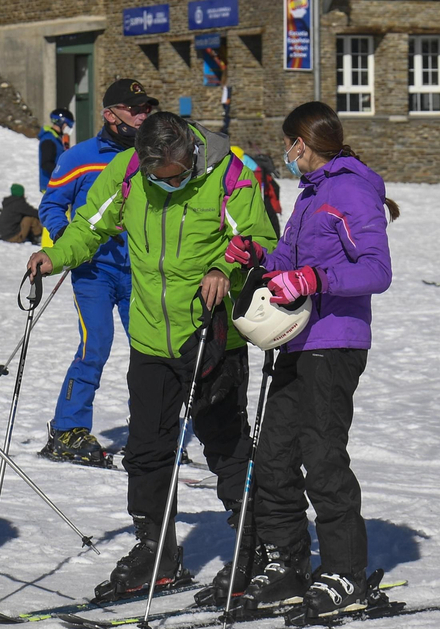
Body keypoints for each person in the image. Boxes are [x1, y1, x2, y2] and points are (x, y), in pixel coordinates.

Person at [28, 110, 277, 600]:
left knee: (225, 444)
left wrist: (225, 266)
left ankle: (253, 544)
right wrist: (53, 256)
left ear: (189, 152)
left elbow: (259, 238)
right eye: (160, 177)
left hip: (210, 334)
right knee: (146, 449)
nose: (171, 183)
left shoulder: (230, 176)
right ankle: (156, 547)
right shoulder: (125, 174)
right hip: (150, 338)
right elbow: (89, 228)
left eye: (180, 174)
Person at [222, 102, 396, 616]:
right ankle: (286, 563)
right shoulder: (311, 194)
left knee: (321, 453)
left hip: (336, 340)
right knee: (273, 453)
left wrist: (317, 280)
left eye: (288, 143)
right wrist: (257, 258)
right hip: (294, 338)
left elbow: (377, 270)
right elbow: (290, 263)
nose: (285, 154)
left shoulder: (351, 189)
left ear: (303, 142)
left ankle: (346, 571)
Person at [35, 78, 155, 465]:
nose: (143, 115)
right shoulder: (79, 156)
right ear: (110, 115)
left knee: (150, 348)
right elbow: (51, 205)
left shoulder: (155, 154)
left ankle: (153, 429)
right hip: (95, 270)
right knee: (96, 344)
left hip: (140, 270)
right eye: (134, 109)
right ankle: (68, 429)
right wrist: (69, 239)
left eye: (146, 108)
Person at [37, 108, 73, 194]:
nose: (70, 128)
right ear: (61, 123)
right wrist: (64, 172)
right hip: (51, 188)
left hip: (59, 185)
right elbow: (46, 164)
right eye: (69, 124)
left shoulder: (58, 139)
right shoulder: (49, 140)